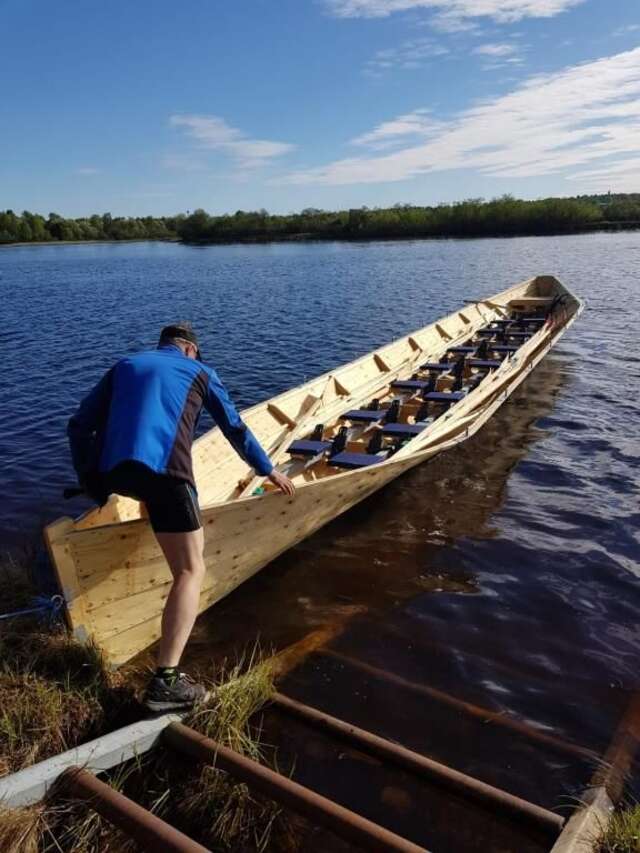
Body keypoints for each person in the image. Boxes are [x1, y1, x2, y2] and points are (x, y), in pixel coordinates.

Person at [67, 323, 295, 712]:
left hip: (115, 473)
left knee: (151, 497)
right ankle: (166, 682)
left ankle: (153, 537)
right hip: (165, 474)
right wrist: (266, 470)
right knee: (192, 570)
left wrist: (91, 481)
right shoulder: (200, 371)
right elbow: (234, 429)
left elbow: (77, 425)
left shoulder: (126, 364)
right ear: (190, 349)